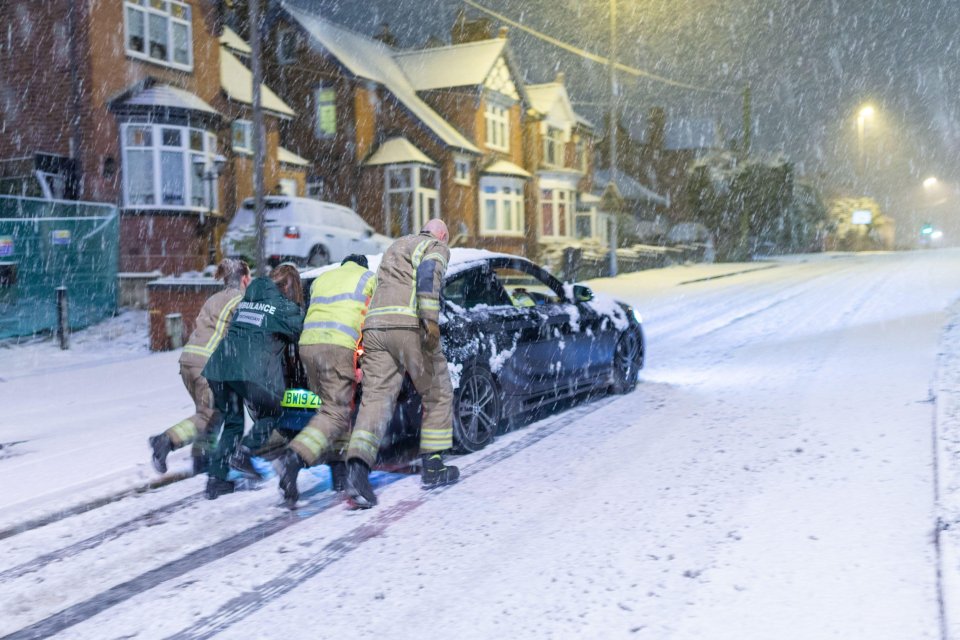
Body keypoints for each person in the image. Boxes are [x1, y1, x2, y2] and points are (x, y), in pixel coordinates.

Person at [344, 219, 459, 509]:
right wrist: (430, 319)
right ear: (443, 235)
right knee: (437, 391)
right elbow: (429, 273)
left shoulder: (395, 246)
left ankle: (357, 470)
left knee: (376, 401)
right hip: (408, 326)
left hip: (375, 328)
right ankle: (433, 465)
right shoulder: (436, 246)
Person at [274, 254, 377, 508]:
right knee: (337, 414)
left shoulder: (323, 278)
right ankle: (294, 458)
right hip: (338, 346)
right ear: (363, 266)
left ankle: (340, 473)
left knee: (330, 410)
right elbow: (374, 323)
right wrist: (365, 362)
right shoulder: (369, 279)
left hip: (308, 347)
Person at [202, 264, 304, 500]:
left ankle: (216, 480)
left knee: (233, 422)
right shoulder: (283, 306)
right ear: (289, 286)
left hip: (219, 366)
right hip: (249, 370)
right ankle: (245, 451)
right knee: (274, 411)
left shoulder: (247, 300)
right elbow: (302, 331)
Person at [148, 259, 251, 474]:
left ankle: (200, 461)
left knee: (209, 415)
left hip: (188, 360)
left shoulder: (214, 298)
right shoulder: (241, 300)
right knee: (209, 415)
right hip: (207, 364)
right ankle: (166, 441)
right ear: (243, 279)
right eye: (249, 278)